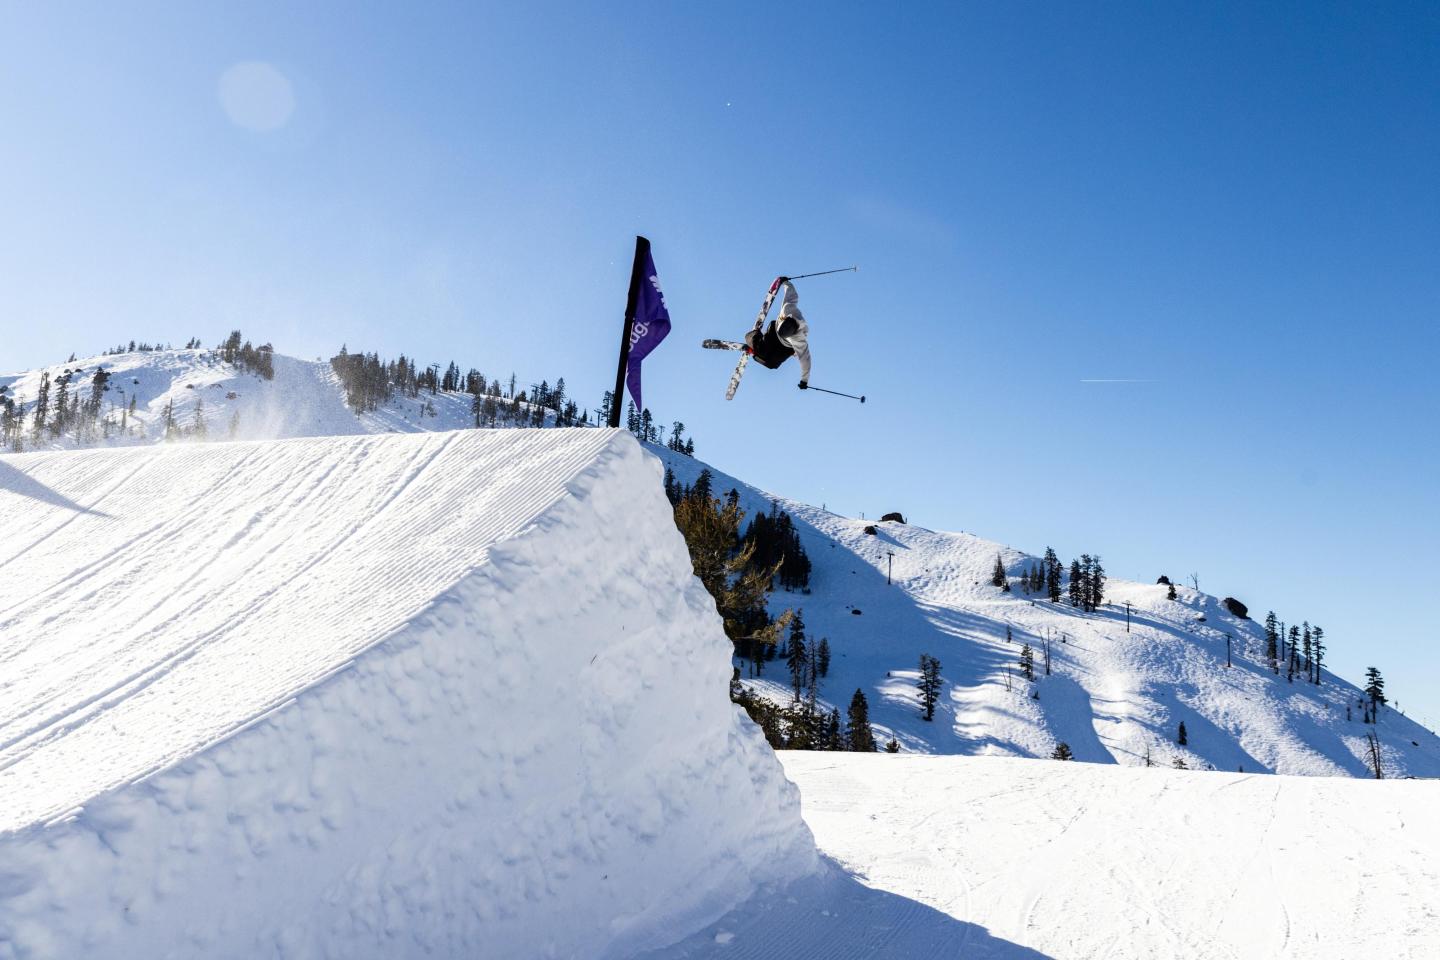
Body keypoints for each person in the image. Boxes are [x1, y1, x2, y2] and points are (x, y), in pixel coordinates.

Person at [744, 277, 811, 389]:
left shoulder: (799, 339)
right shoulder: (787, 309)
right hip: (774, 332)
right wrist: (785, 282)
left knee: (772, 364)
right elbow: (792, 295)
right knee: (762, 351)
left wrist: (804, 380)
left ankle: (756, 351)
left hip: (787, 347)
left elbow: (806, 362)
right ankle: (754, 338)